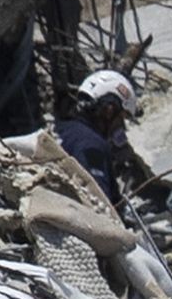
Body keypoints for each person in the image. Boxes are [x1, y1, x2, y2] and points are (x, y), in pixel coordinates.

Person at [54, 70, 136, 205]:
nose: (121, 127)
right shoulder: (93, 145)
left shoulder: (62, 129)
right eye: (121, 118)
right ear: (109, 110)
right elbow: (99, 204)